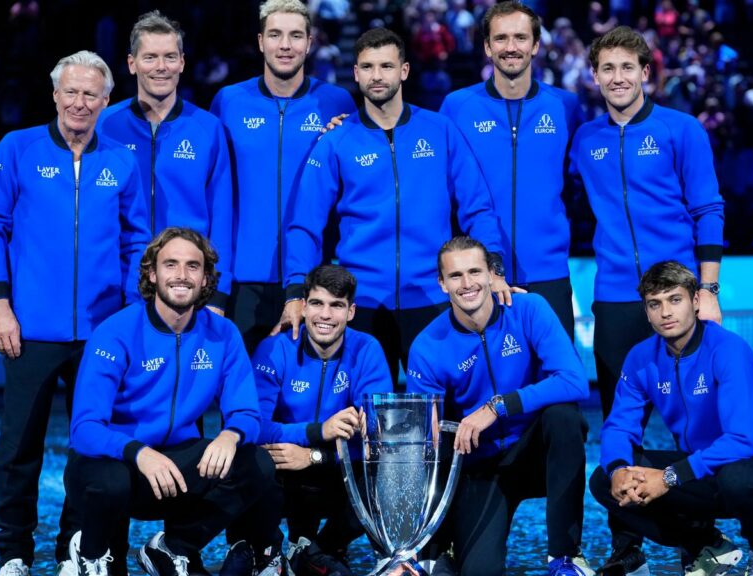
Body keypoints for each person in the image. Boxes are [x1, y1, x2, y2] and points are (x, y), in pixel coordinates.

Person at [0, 50, 150, 576]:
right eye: (70, 92)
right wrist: (0, 304)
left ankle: (77, 548)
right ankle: (13, 553)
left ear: (105, 101)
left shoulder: (121, 159)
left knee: (92, 450)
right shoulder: (17, 148)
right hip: (29, 330)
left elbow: (136, 241)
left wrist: (127, 318)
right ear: (54, 95)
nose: (79, 102)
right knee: (19, 447)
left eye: (90, 94)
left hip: (101, 334)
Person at [568, 25, 725, 575]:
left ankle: (698, 537)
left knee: (694, 421)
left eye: (627, 68)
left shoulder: (682, 130)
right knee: (620, 421)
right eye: (607, 69)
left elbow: (708, 209)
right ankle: (625, 541)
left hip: (681, 294)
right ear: (595, 77)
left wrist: (707, 291)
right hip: (614, 297)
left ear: (646, 72)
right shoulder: (584, 138)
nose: (617, 78)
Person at [281, 27, 513, 384]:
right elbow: (304, 225)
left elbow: (477, 208)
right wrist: (296, 292)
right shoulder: (335, 141)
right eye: (368, 67)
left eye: (386, 66)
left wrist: (494, 269)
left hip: (434, 298)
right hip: (363, 302)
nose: (377, 76)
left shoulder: (440, 130)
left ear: (403, 71)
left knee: (446, 420)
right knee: (366, 422)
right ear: (355, 73)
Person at [65, 227, 287, 576]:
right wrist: (139, 452)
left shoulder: (222, 333)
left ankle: (173, 547)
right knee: (110, 483)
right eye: (171, 265)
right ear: (152, 274)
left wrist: (230, 435)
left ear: (206, 279)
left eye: (193, 266)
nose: (182, 276)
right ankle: (91, 554)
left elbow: (246, 411)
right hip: (118, 464)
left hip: (175, 468)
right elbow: (84, 429)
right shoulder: (115, 332)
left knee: (256, 462)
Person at [590, 261, 753, 576]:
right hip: (704, 469)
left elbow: (742, 440)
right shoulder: (640, 357)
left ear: (694, 301)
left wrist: (668, 477)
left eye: (674, 300)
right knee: (603, 480)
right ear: (646, 311)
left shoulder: (728, 349)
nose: (666, 312)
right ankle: (708, 546)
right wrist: (619, 468)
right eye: (655, 304)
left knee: (738, 479)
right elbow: (619, 426)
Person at [406, 236, 594, 576]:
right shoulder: (428, 346)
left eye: (475, 271)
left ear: (492, 275)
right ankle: (446, 548)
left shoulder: (528, 309)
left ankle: (564, 558)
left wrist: (497, 407)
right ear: (442, 283)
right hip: (482, 466)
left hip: (536, 452)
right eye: (456, 276)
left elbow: (574, 380)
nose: (467, 284)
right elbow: (426, 445)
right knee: (479, 572)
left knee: (564, 417)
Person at [210, 0, 355, 353]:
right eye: (275, 35)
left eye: (295, 36)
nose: (285, 45)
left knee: (307, 403)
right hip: (243, 278)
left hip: (314, 279)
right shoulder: (228, 101)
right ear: (261, 42)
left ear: (310, 42)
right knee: (240, 401)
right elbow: (214, 190)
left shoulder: (337, 103)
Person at [439, 1, 583, 341]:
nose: (511, 47)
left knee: (558, 386)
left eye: (520, 38)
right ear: (488, 47)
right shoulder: (457, 107)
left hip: (549, 272)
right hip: (479, 278)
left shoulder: (565, 105)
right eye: (501, 38)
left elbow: (580, 179)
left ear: (535, 45)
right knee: (489, 391)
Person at [252, 264, 393, 576]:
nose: (325, 316)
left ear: (351, 311)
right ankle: (263, 551)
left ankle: (322, 548)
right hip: (286, 470)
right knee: (251, 460)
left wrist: (314, 455)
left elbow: (377, 435)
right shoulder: (275, 347)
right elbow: (254, 426)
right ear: (303, 306)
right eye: (317, 303)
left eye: (336, 306)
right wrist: (318, 431)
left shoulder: (367, 349)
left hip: (334, 469)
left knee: (383, 473)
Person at [99, 10, 233, 314]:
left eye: (170, 57)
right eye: (150, 57)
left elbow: (222, 217)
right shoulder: (105, 125)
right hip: (116, 286)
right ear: (132, 64)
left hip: (188, 288)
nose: (161, 67)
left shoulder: (208, 128)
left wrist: (218, 294)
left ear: (182, 63)